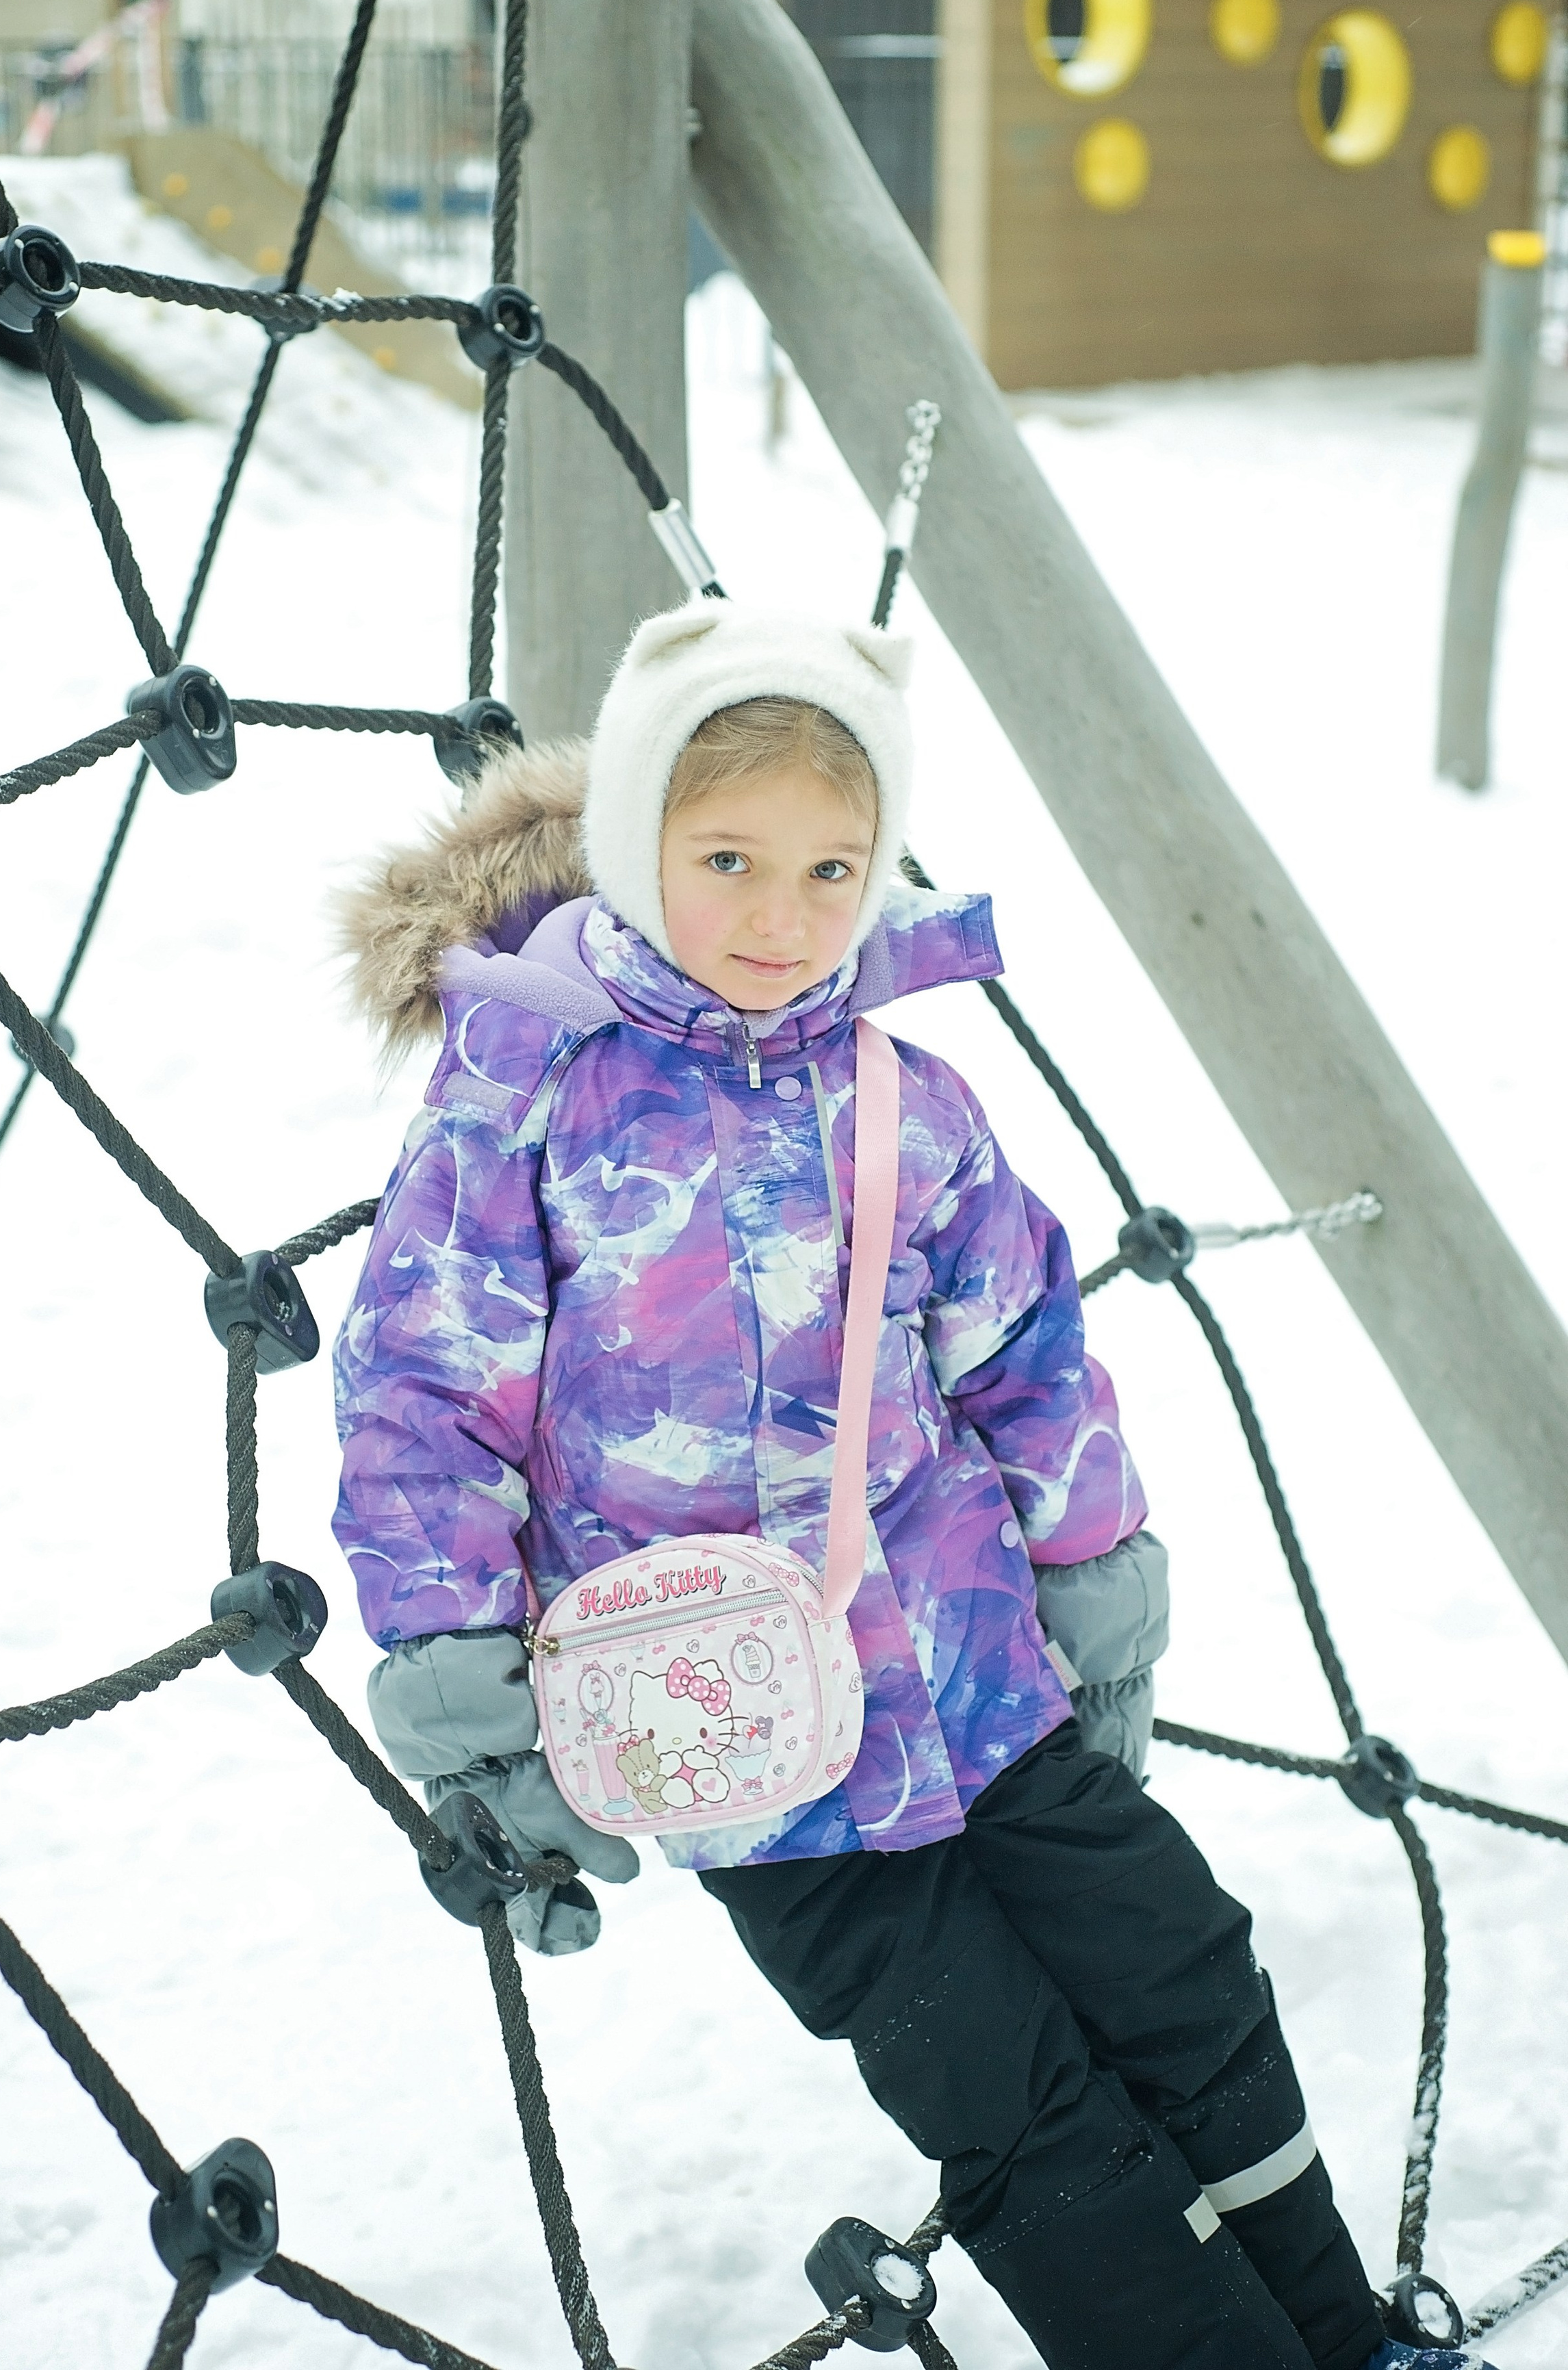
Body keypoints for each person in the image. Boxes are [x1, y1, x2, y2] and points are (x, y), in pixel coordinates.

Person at [331, 606, 1485, 2370]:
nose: (782, 916)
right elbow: (422, 1405)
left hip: (977, 1671)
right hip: (747, 1743)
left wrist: (1091, 1576)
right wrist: (479, 1712)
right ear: (635, 840)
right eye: (727, 860)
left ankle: (1340, 2328)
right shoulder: (529, 1102)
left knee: (1180, 1962)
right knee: (1008, 2086)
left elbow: (1026, 1349)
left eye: (828, 867)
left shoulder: (909, 1093)